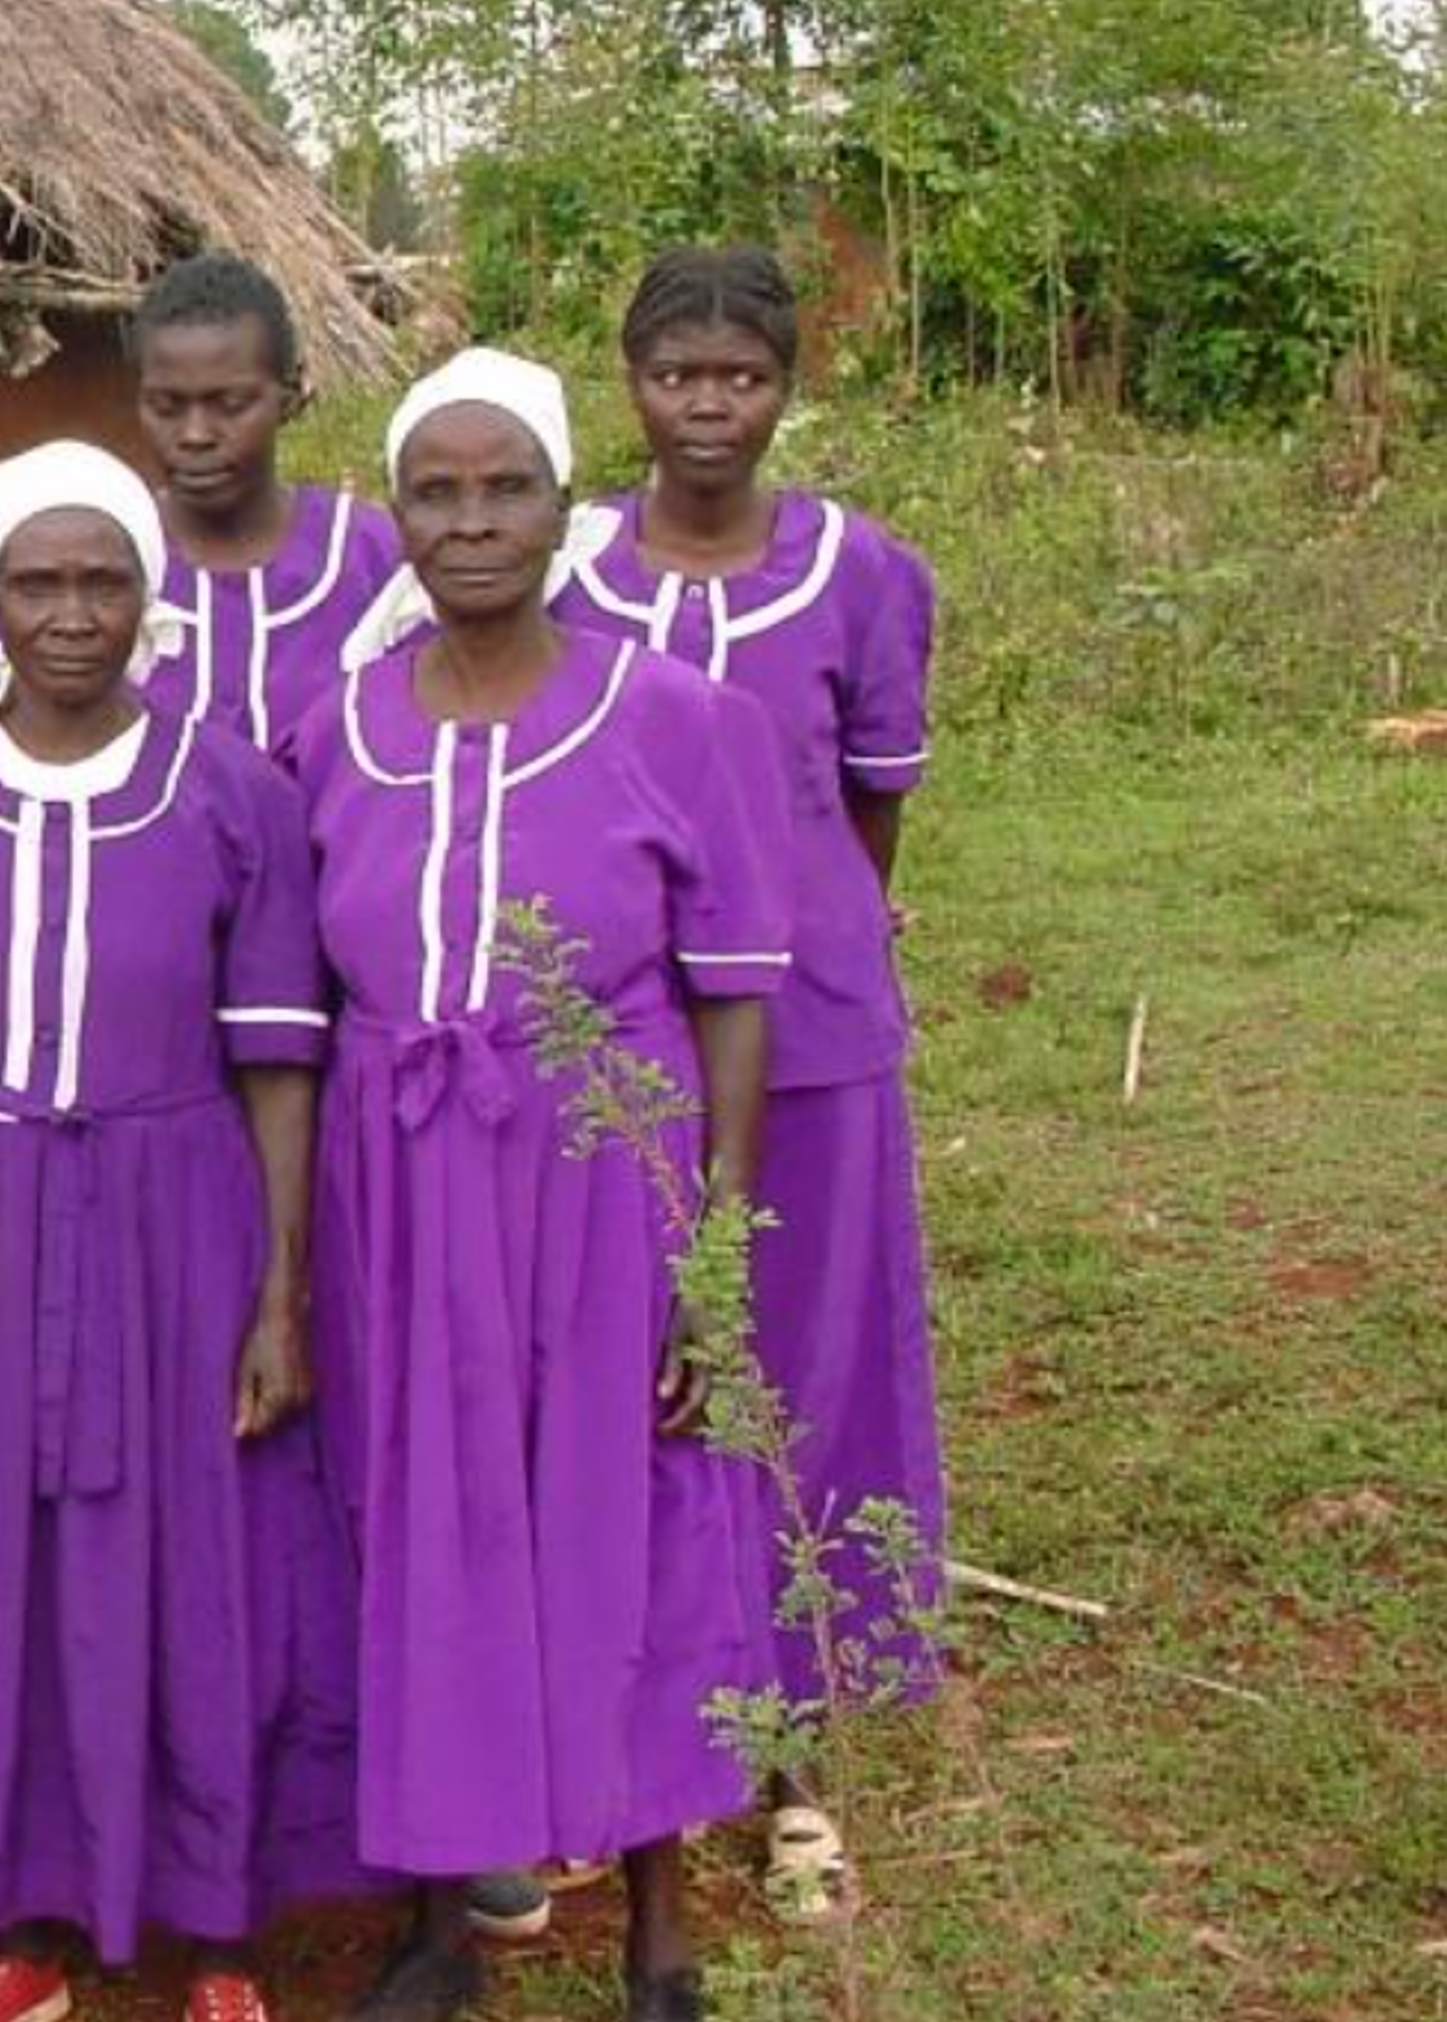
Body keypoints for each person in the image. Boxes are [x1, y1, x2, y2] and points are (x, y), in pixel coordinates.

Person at [292, 350, 787, 2022]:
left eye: (506, 485)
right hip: (399, 1177)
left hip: (600, 1172)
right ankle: (437, 1905)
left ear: (564, 504)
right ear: (399, 517)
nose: (472, 518)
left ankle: (658, 1916)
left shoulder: (670, 716)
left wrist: (708, 1252)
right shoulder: (340, 726)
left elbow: (733, 997)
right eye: (437, 488)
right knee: (420, 1524)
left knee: (624, 1517)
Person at [0, 444, 357, 2022]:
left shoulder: (229, 791)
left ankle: (214, 1934)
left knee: (196, 1563)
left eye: (104, 582)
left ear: (149, 599)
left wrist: (279, 1289)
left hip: (174, 1206)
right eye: (37, 584)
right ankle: (19, 1930)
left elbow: (275, 1058)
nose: (70, 616)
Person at [564, 248, 943, 1921]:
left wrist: (803, 933)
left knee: (806, 1370)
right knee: (637, 1375)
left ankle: (791, 1768)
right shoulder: (570, 567)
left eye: (741, 377)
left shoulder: (861, 572)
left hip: (816, 1037)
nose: (707, 406)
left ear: (788, 387)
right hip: (624, 1047)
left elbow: (867, 813)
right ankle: (631, 1736)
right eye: (675, 374)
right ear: (628, 382)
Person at [125, 259, 400, 753]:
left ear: (291, 395)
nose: (195, 435)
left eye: (230, 405)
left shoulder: (371, 559)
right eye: (166, 407)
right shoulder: (99, 565)